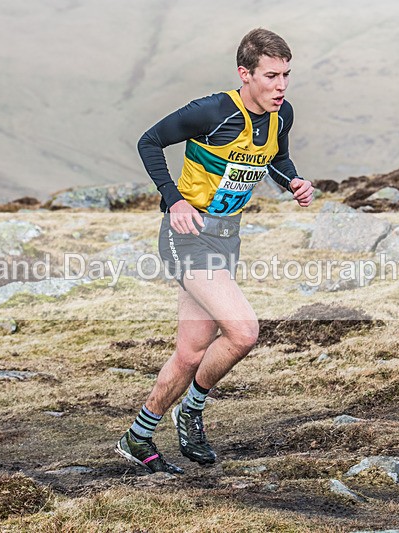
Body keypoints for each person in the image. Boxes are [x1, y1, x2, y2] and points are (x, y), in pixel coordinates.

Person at [115, 28, 314, 473]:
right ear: (245, 74)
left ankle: (137, 436)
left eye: (286, 75)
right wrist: (174, 199)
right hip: (187, 234)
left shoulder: (281, 115)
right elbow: (149, 141)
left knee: (190, 353)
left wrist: (294, 182)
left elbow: (276, 159)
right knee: (243, 332)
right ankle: (192, 409)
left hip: (228, 237)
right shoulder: (213, 111)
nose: (281, 86)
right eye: (271, 76)